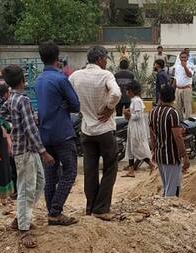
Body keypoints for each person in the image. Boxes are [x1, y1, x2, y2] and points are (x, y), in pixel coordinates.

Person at [1, 64, 55, 248]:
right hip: (26, 150)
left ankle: (20, 218)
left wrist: (13, 127)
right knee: (26, 188)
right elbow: (30, 130)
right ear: (23, 80)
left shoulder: (11, 99)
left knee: (39, 182)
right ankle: (23, 229)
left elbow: (5, 116)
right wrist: (44, 152)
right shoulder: (21, 100)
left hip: (26, 150)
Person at [69, 46, 122, 220]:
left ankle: (90, 206)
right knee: (110, 167)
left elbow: (68, 95)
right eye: (105, 58)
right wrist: (109, 107)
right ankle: (101, 207)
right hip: (105, 129)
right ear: (100, 59)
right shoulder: (106, 75)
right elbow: (116, 93)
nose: (106, 61)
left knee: (90, 170)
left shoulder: (75, 76)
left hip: (86, 129)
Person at [35, 41, 81, 226]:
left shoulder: (38, 80)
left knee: (51, 175)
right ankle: (55, 211)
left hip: (45, 134)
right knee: (69, 172)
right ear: (57, 57)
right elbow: (76, 105)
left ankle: (51, 211)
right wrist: (64, 105)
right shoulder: (61, 79)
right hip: (62, 133)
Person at [150, 85, 189, 197]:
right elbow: (178, 137)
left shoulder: (153, 112)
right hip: (171, 156)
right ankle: (168, 212)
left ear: (160, 97)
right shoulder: (172, 113)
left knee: (169, 186)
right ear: (173, 98)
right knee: (171, 190)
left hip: (159, 155)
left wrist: (153, 151)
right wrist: (185, 157)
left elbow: (152, 135)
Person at [123, 80, 154, 177]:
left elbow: (138, 115)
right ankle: (131, 170)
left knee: (138, 148)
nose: (126, 92)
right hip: (132, 127)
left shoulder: (137, 101)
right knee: (130, 148)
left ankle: (152, 165)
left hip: (137, 129)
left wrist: (129, 114)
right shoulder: (133, 101)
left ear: (131, 91)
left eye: (127, 90)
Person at [173, 51, 194, 119]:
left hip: (186, 89)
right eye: (182, 57)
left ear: (187, 58)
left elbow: (190, 75)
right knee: (178, 107)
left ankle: (188, 121)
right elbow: (175, 78)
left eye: (185, 57)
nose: (183, 59)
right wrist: (173, 89)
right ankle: (180, 121)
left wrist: (185, 66)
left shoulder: (190, 65)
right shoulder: (177, 66)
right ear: (179, 58)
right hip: (178, 89)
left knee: (187, 106)